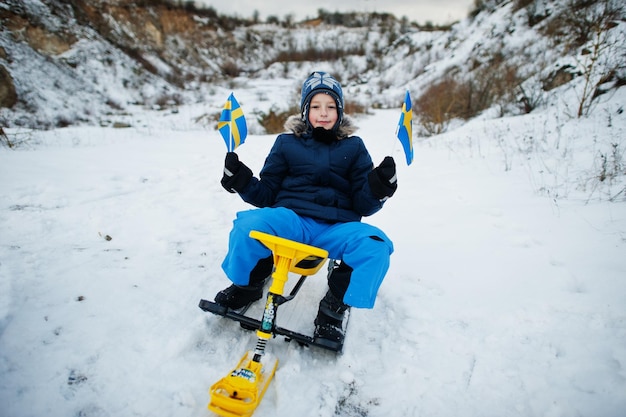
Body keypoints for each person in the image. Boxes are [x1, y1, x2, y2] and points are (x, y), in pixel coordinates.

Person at [215, 71, 397, 345]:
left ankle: (334, 307)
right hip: (292, 220)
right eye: (315, 106)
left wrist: (379, 188)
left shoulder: (354, 147)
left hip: (337, 228)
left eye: (330, 106)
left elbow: (364, 204)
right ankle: (248, 285)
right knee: (247, 226)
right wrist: (240, 179)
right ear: (304, 110)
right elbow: (266, 193)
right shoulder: (286, 143)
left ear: (340, 111)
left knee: (376, 245)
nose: (323, 113)